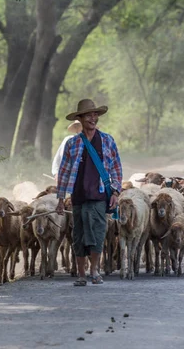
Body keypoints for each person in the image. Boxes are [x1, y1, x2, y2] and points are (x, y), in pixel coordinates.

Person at [56, 99, 122, 286]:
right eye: (88, 115)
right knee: (79, 235)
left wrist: (116, 192)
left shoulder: (108, 140)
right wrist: (61, 199)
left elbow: (116, 168)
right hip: (78, 196)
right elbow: (64, 171)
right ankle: (81, 274)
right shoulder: (73, 143)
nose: (93, 118)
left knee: (98, 233)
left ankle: (94, 270)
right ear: (81, 119)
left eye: (95, 115)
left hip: (99, 195)